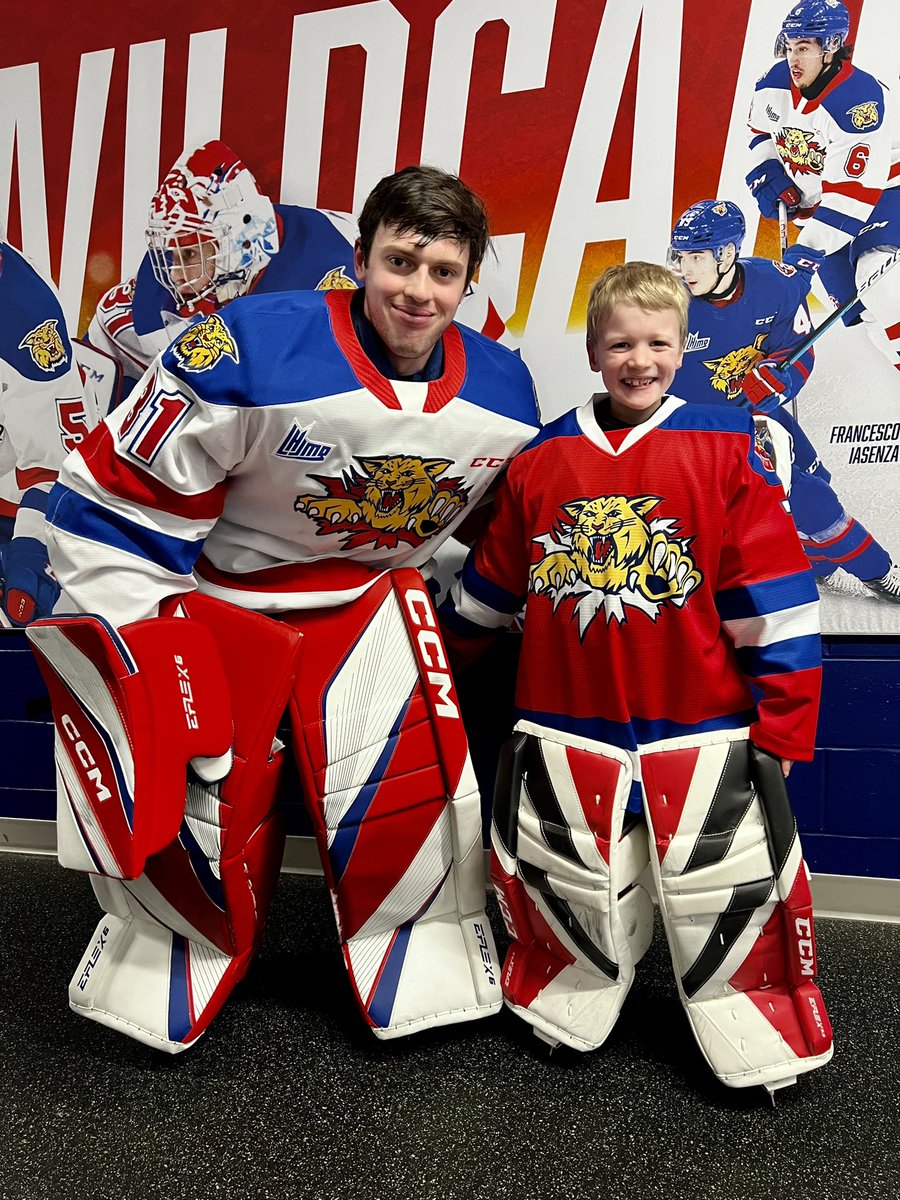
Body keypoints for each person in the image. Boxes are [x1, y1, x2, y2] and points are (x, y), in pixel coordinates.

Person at [26, 165, 541, 1053]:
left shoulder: (505, 390)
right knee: (199, 815)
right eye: (400, 262)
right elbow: (109, 503)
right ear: (362, 260)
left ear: (467, 281)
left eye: (443, 272)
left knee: (412, 809)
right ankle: (174, 944)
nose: (419, 291)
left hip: (371, 603)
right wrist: (148, 650)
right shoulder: (245, 346)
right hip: (223, 603)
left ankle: (415, 944)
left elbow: (501, 528)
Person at [439, 262, 833, 1094]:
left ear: (684, 348)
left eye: (658, 342)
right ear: (593, 351)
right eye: (620, 343)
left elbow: (777, 605)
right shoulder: (542, 457)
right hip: (563, 722)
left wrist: (785, 726)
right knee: (570, 881)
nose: (640, 360)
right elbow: (491, 588)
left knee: (722, 886)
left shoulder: (726, 443)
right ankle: (570, 988)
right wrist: (435, 668)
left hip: (699, 725)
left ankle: (750, 1010)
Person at [87, 141, 512, 396]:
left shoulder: (337, 260)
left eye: (193, 254)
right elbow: (109, 349)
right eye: (171, 254)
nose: (177, 274)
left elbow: (488, 343)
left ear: (241, 235)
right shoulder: (151, 293)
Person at [669, 198, 900, 602]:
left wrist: (780, 377)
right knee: (813, 500)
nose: (684, 269)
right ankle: (878, 572)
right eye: (680, 256)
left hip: (762, 413)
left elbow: (799, 350)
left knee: (815, 476)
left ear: (727, 254)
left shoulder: (773, 284)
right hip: (705, 433)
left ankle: (817, 565)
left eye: (696, 257)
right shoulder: (667, 307)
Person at [745, 0, 900, 370]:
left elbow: (852, 196)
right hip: (820, 213)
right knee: (861, 314)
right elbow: (759, 133)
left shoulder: (857, 103)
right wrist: (768, 171)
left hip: (882, 196)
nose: (793, 59)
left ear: (830, 48)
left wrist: (807, 252)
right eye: (789, 47)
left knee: (879, 286)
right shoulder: (772, 84)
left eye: (803, 48)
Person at [0, 235, 113, 626]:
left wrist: (31, 551)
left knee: (26, 597)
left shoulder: (26, 322)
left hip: (12, 503)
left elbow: (56, 471)